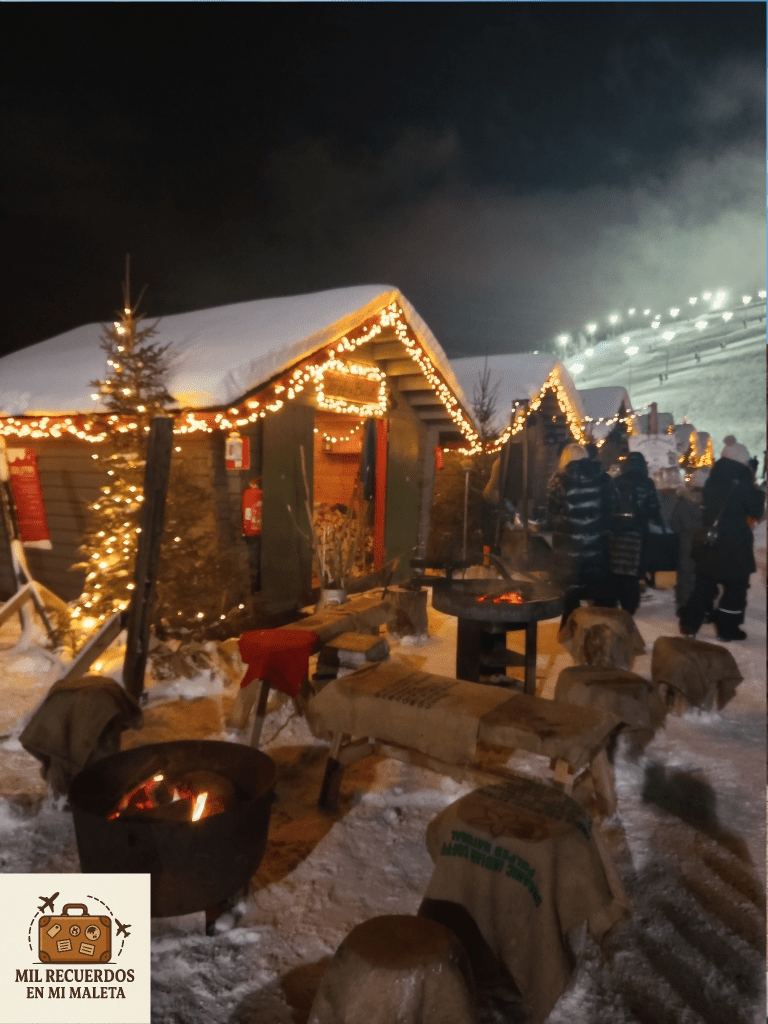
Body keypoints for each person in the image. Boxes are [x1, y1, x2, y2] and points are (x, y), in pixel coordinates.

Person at [679, 438, 765, 640]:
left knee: (704, 586)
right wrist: (758, 492)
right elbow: (756, 511)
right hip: (735, 545)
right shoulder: (743, 482)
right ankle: (728, 629)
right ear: (741, 460)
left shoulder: (713, 478)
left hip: (712, 541)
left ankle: (689, 624)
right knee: (735, 589)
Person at [547, 443, 616, 627]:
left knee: (570, 601)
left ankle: (570, 636)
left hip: (569, 557)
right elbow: (613, 506)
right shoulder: (604, 479)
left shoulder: (559, 481)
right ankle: (603, 637)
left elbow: (551, 510)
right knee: (602, 602)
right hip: (598, 552)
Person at [608, 452, 662, 614]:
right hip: (637, 535)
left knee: (616, 571)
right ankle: (629, 607)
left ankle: (613, 604)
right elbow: (653, 509)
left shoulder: (616, 482)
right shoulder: (647, 483)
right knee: (632, 575)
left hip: (616, 534)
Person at [669, 467, 708, 615]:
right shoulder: (710, 502)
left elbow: (674, 524)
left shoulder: (682, 501)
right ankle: (702, 607)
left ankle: (683, 605)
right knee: (702, 575)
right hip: (704, 542)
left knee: (685, 574)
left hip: (686, 541)